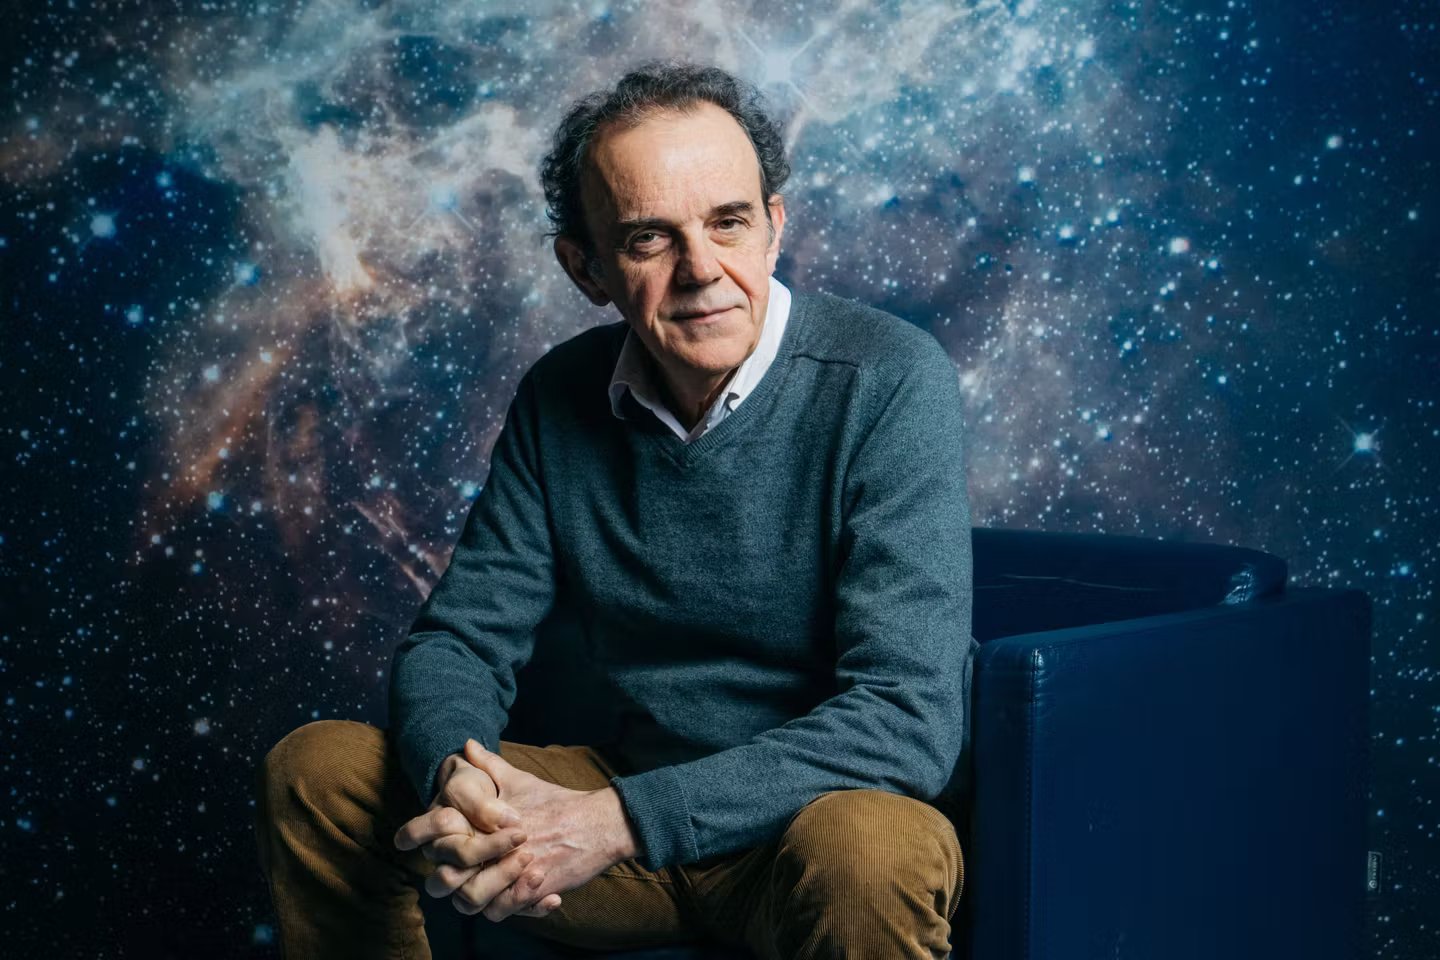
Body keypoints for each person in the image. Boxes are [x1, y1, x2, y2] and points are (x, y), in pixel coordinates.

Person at [254, 59, 977, 960]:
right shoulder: (560, 394)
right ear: (586, 267)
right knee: (317, 772)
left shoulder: (888, 377)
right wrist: (461, 779)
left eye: (728, 222)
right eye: (648, 239)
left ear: (774, 227)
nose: (701, 270)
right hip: (614, 825)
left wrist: (616, 822)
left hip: (807, 829)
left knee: (871, 848)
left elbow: (907, 719)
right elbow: (458, 642)